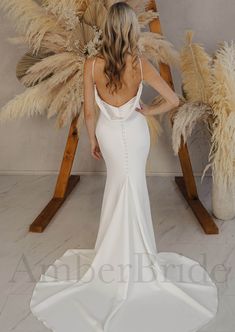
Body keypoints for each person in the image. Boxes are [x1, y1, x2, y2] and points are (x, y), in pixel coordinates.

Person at [30, 2, 218, 332]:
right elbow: (173, 100)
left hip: (109, 134)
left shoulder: (91, 64)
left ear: (108, 29)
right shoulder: (140, 65)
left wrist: (94, 140)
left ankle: (113, 256)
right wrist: (146, 112)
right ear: (131, 29)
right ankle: (138, 257)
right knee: (134, 188)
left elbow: (89, 113)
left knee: (118, 187)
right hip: (133, 132)